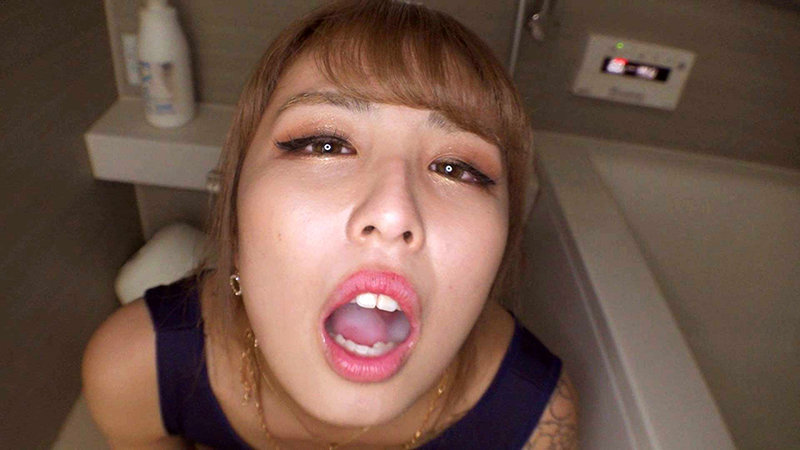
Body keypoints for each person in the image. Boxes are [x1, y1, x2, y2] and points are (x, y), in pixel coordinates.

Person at [83, 0, 579, 448]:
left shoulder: (536, 420)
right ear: (235, 200)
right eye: (325, 144)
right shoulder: (133, 368)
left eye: (456, 169)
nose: (393, 213)